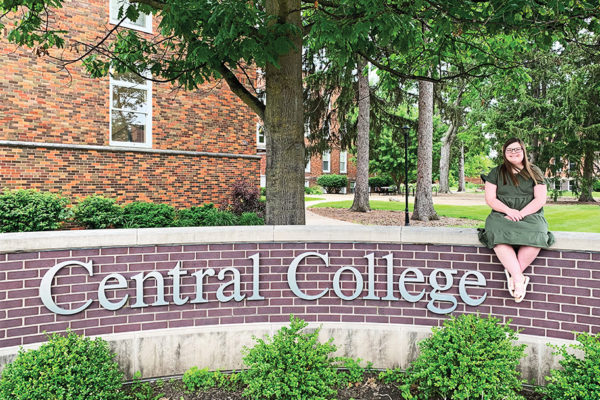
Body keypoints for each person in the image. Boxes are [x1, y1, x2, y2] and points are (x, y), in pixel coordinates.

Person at [478, 138, 555, 303]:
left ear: (523, 151)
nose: (513, 152)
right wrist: (509, 211)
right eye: (509, 150)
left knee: (537, 233)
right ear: (504, 153)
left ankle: (515, 277)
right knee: (496, 232)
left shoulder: (534, 171)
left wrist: (521, 213)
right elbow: (490, 199)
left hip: (530, 214)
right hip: (502, 214)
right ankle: (519, 279)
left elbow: (540, 199)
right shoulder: (496, 172)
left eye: (517, 149)